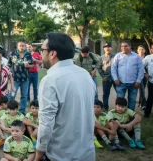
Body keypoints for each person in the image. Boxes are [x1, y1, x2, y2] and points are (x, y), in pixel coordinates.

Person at [35, 32, 96, 161]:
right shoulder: (85, 74)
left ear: (53, 53)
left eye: (42, 50)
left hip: (60, 154)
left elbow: (46, 123)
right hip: (87, 152)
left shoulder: (50, 80)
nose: (41, 54)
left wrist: (39, 152)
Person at [111, 40, 144, 110]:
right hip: (121, 83)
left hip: (133, 83)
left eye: (126, 46)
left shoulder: (136, 57)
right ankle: (120, 115)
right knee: (120, 100)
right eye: (122, 46)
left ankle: (130, 116)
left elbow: (141, 70)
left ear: (130, 46)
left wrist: (138, 81)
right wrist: (115, 79)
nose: (124, 48)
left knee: (132, 100)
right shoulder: (118, 56)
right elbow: (113, 68)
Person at [8, 40, 33, 114]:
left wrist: (28, 66)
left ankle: (22, 111)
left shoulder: (28, 54)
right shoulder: (13, 53)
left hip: (25, 79)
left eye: (23, 46)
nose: (22, 47)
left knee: (24, 96)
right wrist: (9, 75)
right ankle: (11, 109)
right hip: (15, 79)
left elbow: (32, 64)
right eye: (20, 46)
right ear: (17, 46)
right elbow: (9, 64)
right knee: (12, 96)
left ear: (25, 46)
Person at [100, 43, 116, 111]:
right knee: (105, 94)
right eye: (106, 47)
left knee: (119, 93)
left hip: (116, 78)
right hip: (106, 78)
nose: (107, 48)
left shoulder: (116, 56)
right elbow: (99, 68)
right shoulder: (101, 58)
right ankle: (105, 107)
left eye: (109, 47)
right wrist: (103, 76)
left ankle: (118, 107)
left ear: (111, 48)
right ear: (104, 49)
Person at [137, 45, 147, 109]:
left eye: (142, 49)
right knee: (142, 90)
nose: (141, 51)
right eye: (140, 49)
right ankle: (143, 104)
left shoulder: (147, 58)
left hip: (145, 76)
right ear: (137, 50)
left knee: (142, 90)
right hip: (138, 76)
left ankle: (140, 102)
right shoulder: (135, 57)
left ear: (145, 50)